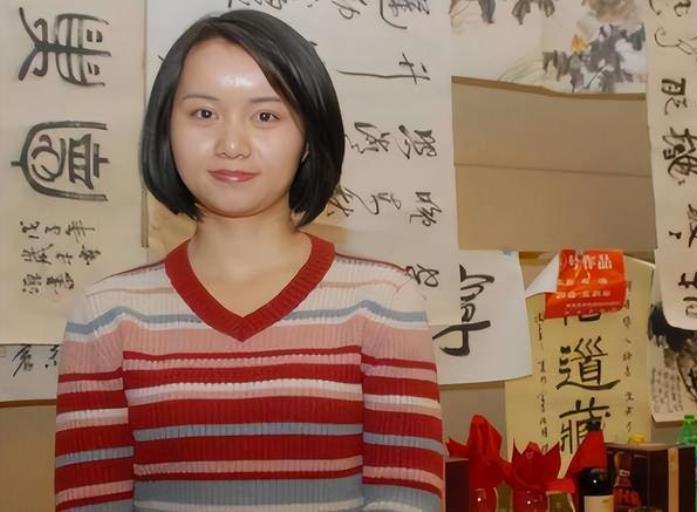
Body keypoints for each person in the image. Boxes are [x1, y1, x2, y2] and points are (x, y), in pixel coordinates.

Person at [54, 9, 443, 512]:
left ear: (308, 139)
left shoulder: (383, 301)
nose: (232, 145)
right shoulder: (105, 315)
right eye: (203, 114)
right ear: (166, 130)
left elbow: (406, 500)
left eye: (266, 116)